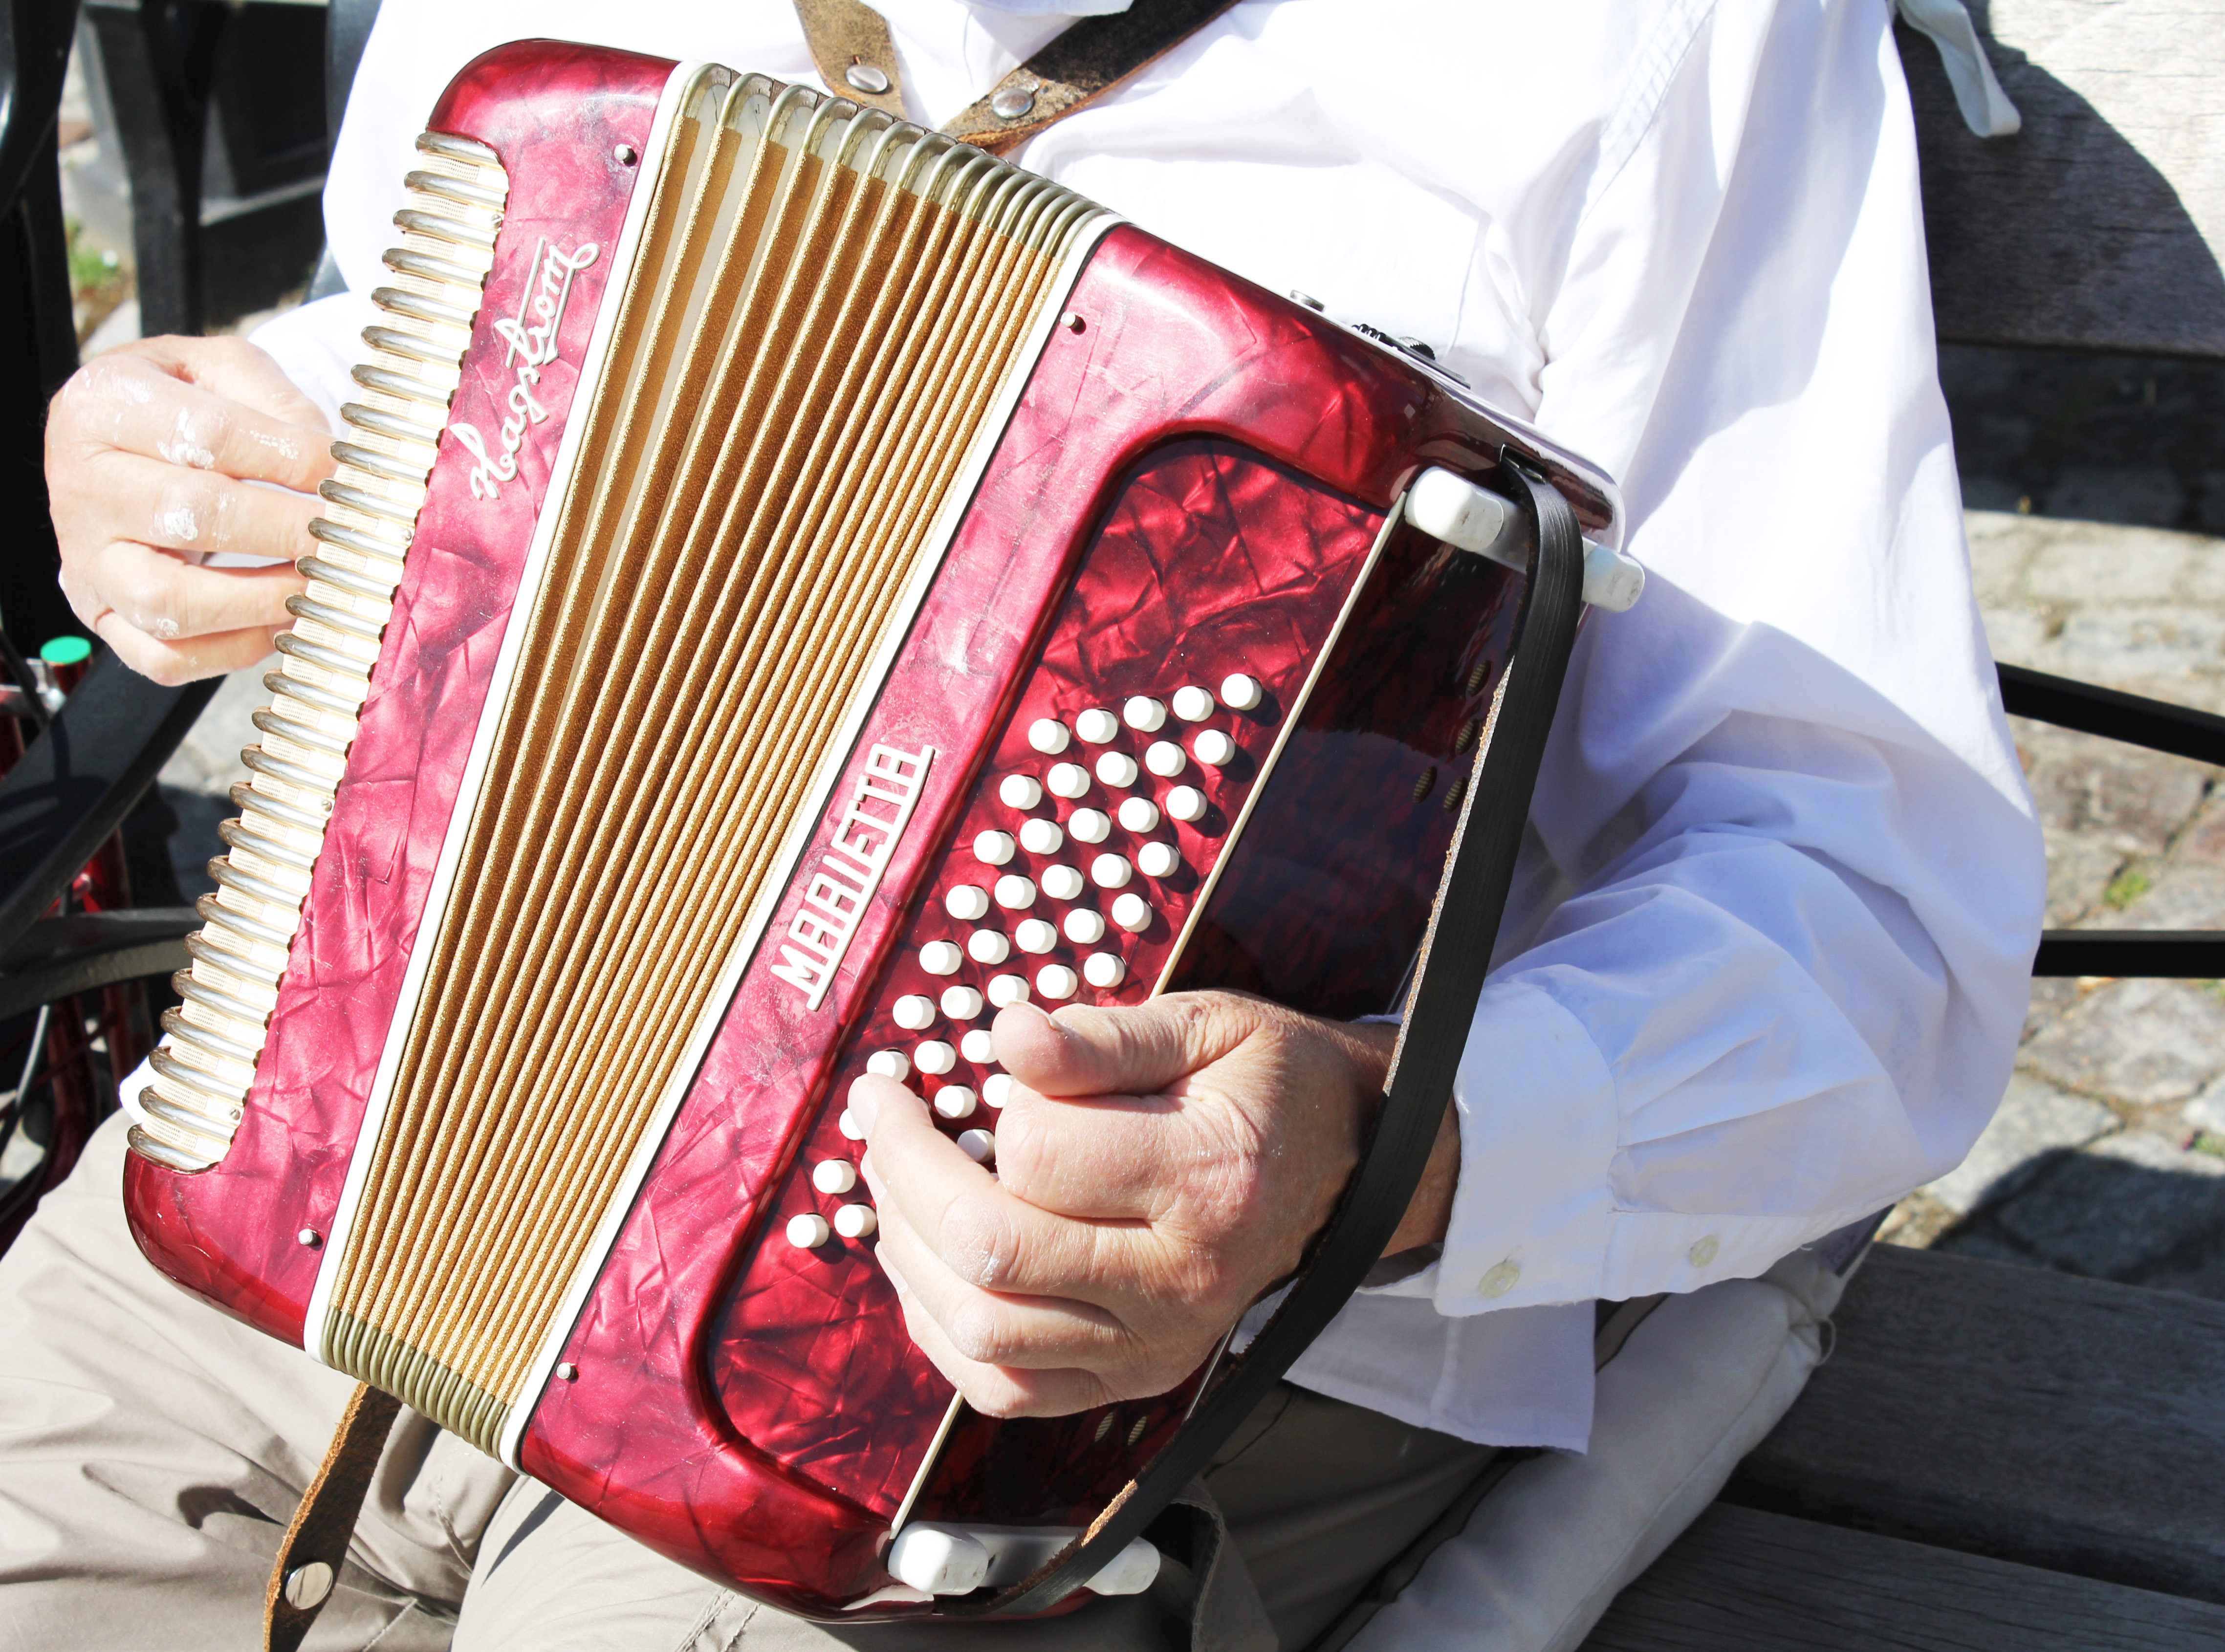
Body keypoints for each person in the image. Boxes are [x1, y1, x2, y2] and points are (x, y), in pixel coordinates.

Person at [14, 1, 2044, 1647]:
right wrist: (220, 449)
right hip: (337, 1145)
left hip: (1019, 1385)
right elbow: (443, 327)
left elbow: (1874, 890)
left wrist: (1371, 1144)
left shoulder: (1653, 36)